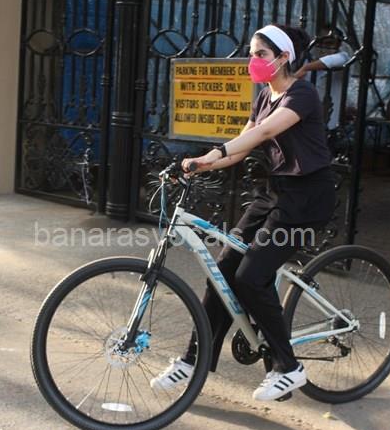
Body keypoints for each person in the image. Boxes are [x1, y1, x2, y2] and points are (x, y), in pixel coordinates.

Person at [149, 24, 336, 401]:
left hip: (306, 200)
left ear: (284, 57)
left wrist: (215, 152)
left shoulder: (301, 95)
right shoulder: (265, 96)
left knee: (250, 277)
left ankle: (289, 368)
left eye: (261, 54)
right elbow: (241, 147)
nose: (253, 61)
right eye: (251, 54)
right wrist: (201, 164)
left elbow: (263, 134)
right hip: (274, 194)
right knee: (222, 272)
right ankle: (193, 360)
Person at [295, 25, 350, 131]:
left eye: (329, 43)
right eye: (320, 42)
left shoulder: (344, 58)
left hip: (331, 125)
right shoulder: (306, 59)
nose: (324, 47)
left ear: (338, 44)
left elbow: (338, 59)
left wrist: (305, 68)